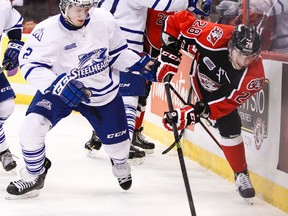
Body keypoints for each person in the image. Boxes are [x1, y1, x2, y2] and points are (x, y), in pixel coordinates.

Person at [5, 0, 153, 199]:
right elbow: (30, 65)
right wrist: (58, 84)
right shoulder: (47, 31)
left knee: (120, 151)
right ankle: (34, 175)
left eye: (86, 8)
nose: (83, 14)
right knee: (31, 127)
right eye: (77, 9)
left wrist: (141, 64)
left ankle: (119, 162)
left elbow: (118, 54)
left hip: (101, 93)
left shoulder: (103, 19)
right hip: (61, 88)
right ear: (64, 8)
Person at [152, 11, 264, 200]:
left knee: (229, 124)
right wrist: (169, 54)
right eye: (240, 55)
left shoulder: (254, 77)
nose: (244, 62)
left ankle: (241, 174)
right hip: (199, 77)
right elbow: (176, 19)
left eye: (250, 57)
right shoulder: (215, 34)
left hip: (221, 92)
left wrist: (195, 112)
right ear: (231, 46)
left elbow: (225, 102)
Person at [84, 0, 212, 164]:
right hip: (125, 43)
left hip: (99, 43)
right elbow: (165, 3)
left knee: (108, 92)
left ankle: (99, 134)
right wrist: (191, 2)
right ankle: (124, 145)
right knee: (130, 94)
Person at [0, 0, 24, 171]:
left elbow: (13, 23)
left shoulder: (3, 5)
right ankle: (2, 150)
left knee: (5, 106)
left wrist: (14, 45)